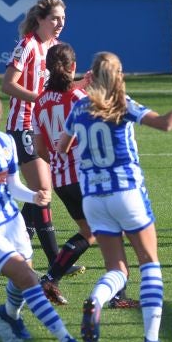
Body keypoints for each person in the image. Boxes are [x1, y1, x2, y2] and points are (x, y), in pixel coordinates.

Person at [57, 52, 172, 342]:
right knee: (149, 262)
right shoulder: (122, 104)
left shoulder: (79, 107)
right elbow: (166, 124)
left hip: (93, 197)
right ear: (117, 77)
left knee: (117, 268)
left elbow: (63, 146)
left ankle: (96, 299)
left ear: (92, 77)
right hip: (125, 192)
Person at [0, 79, 85, 342]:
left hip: (12, 222)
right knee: (29, 278)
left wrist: (34, 196)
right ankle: (66, 339)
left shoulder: (6, 142)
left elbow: (13, 185)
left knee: (22, 278)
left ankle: (10, 314)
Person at [32, 43, 139, 309]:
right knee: (111, 231)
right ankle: (117, 296)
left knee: (89, 231)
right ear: (73, 66)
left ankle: (50, 279)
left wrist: (58, 162)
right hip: (85, 177)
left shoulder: (39, 103)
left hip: (60, 179)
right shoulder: (79, 100)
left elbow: (40, 149)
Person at [3, 0, 66, 271]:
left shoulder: (56, 48)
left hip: (43, 128)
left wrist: (82, 83)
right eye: (54, 18)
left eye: (63, 19)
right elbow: (7, 84)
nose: (60, 23)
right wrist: (37, 99)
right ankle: (56, 262)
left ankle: (17, 246)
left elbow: (58, 89)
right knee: (42, 190)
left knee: (39, 191)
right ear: (40, 19)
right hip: (22, 125)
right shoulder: (27, 45)